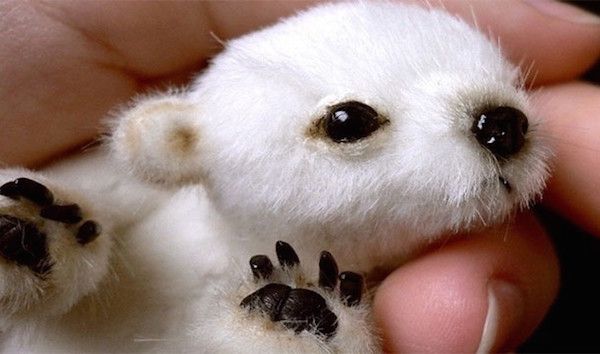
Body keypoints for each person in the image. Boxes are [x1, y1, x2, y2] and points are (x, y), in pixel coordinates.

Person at [1, 0, 598, 352]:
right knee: (66, 219)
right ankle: (33, 249)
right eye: (348, 126)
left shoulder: (374, 293)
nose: (498, 123)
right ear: (178, 144)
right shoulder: (166, 172)